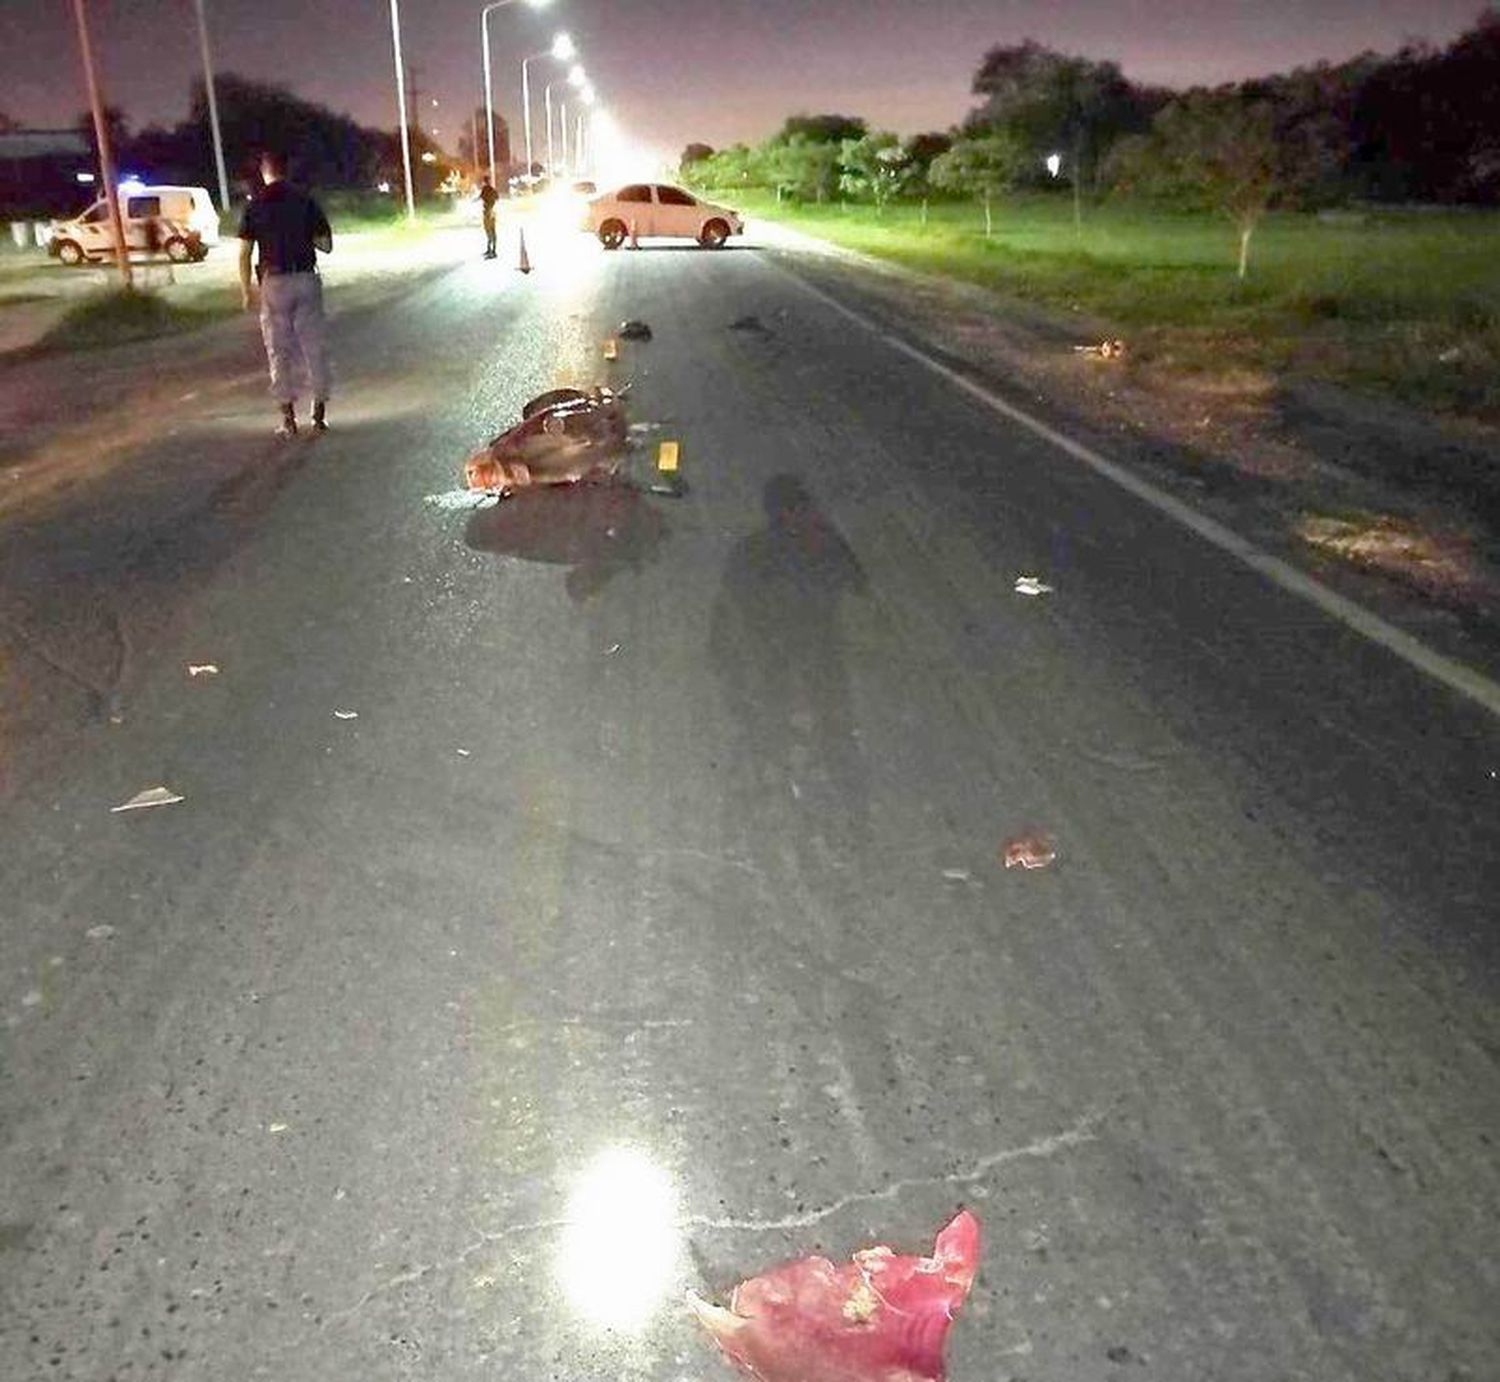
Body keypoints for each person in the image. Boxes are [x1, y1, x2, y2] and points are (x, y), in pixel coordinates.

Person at [238, 150, 333, 437]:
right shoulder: (306, 200)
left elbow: (244, 253)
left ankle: (288, 419)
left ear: (265, 172)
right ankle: (318, 414)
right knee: (313, 345)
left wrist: (246, 291)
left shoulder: (256, 204)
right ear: (287, 170)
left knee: (279, 349)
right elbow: (326, 245)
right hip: (306, 277)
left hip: (274, 282)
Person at [478, 176, 499, 259]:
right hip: (491, 211)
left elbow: (481, 197)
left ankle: (491, 250)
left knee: (489, 231)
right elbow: (497, 198)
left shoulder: (485, 189)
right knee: (492, 231)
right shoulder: (492, 189)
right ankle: (492, 249)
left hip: (487, 211)